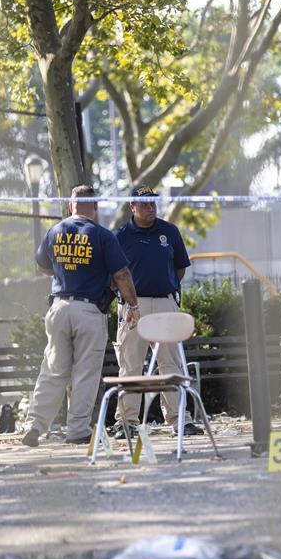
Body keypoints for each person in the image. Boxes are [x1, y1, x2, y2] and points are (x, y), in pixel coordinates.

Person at [21, 185, 140, 447]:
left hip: (59, 307)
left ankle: (34, 425)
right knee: (85, 373)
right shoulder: (102, 236)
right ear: (95, 207)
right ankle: (77, 430)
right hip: (89, 310)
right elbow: (121, 275)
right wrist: (132, 304)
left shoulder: (55, 230)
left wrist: (68, 269)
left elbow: (43, 266)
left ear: (70, 206)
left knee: (52, 370)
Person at [112, 184, 200, 438]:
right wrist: (128, 299)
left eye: (153, 203)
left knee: (170, 364)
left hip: (165, 304)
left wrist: (166, 288)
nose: (150, 208)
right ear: (132, 206)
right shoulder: (120, 236)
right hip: (132, 307)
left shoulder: (169, 231)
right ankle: (126, 422)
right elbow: (114, 275)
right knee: (130, 365)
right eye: (144, 204)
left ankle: (179, 420)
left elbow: (180, 268)